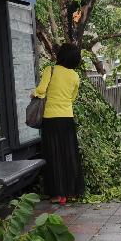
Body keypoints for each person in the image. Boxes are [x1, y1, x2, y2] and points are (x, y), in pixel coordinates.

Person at [33, 43, 85, 204]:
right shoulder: (75, 76)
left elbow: (41, 91)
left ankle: (58, 195)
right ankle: (71, 192)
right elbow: (72, 98)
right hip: (67, 119)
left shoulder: (51, 70)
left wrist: (33, 93)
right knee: (68, 155)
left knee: (53, 156)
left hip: (50, 119)